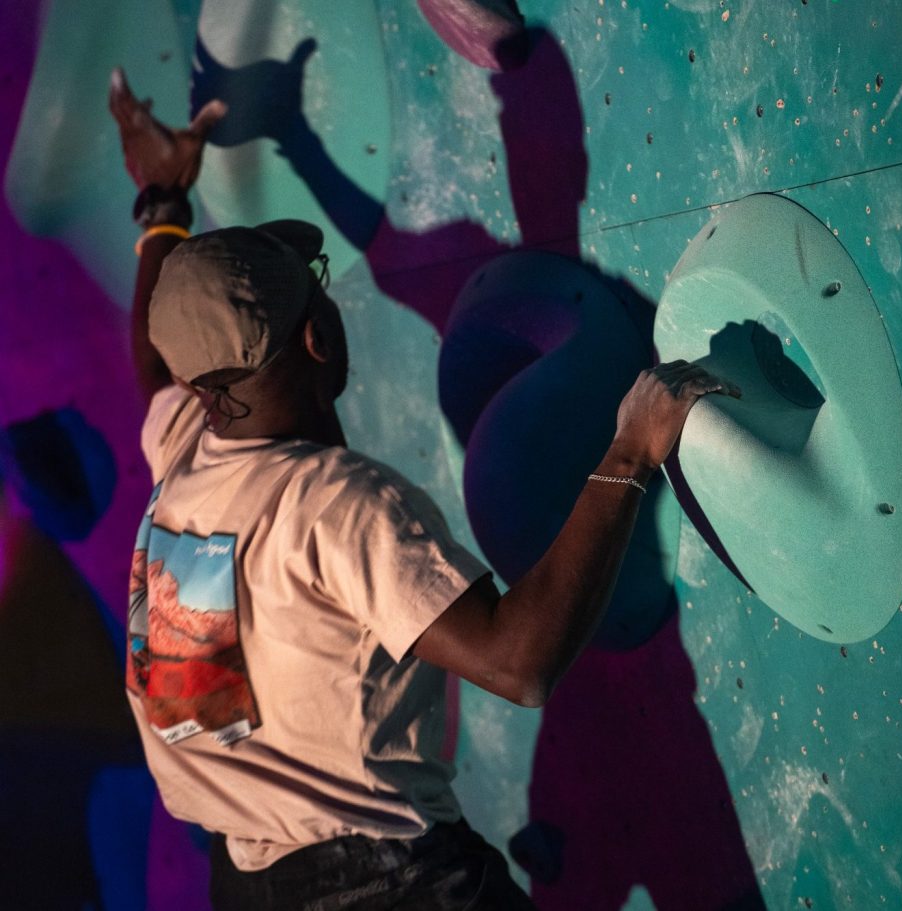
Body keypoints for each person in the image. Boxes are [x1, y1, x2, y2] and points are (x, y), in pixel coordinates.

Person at [109, 67, 739, 911]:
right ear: (318, 336)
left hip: (248, 884)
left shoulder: (185, 445)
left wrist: (162, 201)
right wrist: (630, 448)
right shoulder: (340, 508)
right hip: (389, 891)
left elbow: (155, 359)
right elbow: (518, 662)